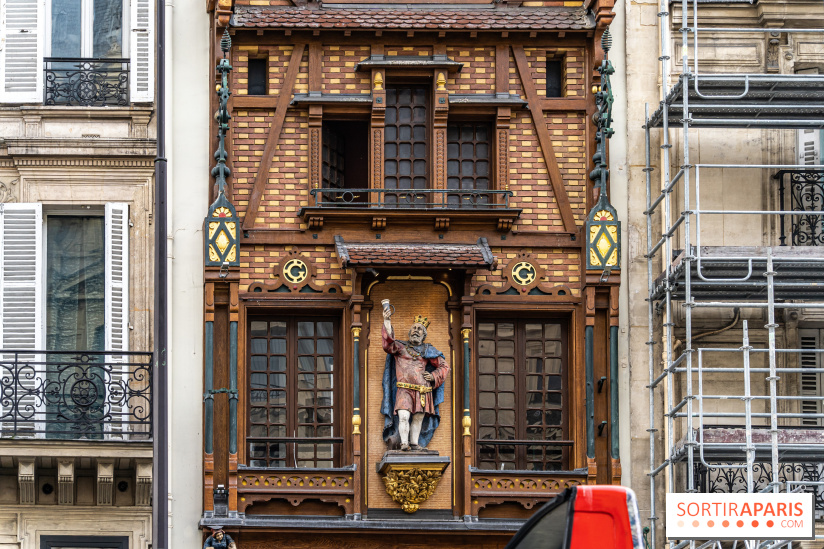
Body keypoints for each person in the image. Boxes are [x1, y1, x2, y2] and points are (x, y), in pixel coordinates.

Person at [380, 308, 449, 451]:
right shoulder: (400, 348)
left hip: (422, 390)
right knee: (403, 416)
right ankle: (404, 443)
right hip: (404, 389)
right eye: (414, 328)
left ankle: (414, 443)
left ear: (423, 335)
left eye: (420, 329)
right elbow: (388, 344)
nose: (416, 331)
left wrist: (434, 376)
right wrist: (387, 321)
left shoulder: (428, 350)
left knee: (418, 418)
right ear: (410, 332)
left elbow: (444, 366)